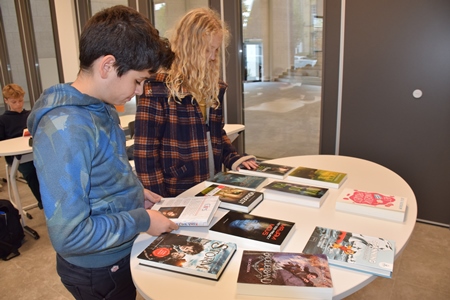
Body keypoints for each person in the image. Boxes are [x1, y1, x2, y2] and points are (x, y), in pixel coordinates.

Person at [26, 5, 178, 300]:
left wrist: (130, 191)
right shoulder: (66, 129)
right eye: (138, 80)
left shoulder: (102, 106)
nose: (141, 91)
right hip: (98, 269)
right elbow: (70, 236)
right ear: (107, 66)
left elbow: (102, 170)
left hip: (120, 249)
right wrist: (142, 220)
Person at [134, 7, 258, 197]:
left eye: (216, 50)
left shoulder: (212, 87)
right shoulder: (156, 89)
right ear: (189, 47)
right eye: (208, 50)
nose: (214, 57)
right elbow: (145, 154)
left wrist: (234, 158)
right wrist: (159, 202)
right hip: (177, 190)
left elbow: (215, 133)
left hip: (212, 182)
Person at [1, 84, 43, 209]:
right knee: (31, 173)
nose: (18, 105)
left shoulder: (30, 115)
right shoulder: (3, 120)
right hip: (17, 157)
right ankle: (44, 203)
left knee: (50, 169)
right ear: (6, 101)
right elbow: (2, 144)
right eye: (14, 102)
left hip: (35, 152)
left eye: (20, 101)